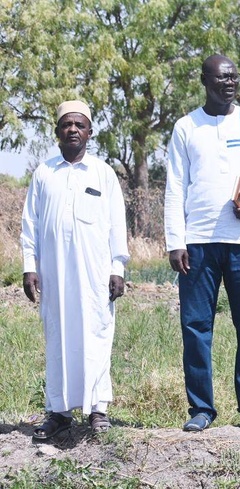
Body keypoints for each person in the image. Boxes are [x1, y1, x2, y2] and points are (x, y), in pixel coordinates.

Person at [164, 54, 240, 434]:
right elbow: (175, 185)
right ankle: (201, 408)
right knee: (196, 325)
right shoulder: (186, 127)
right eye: (220, 78)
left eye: (233, 77)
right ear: (204, 80)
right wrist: (174, 240)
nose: (228, 83)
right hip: (197, 242)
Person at [21, 100, 129, 439]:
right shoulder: (44, 173)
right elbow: (30, 225)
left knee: (97, 334)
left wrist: (118, 267)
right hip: (53, 274)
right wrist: (29, 266)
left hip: (95, 274)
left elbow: (116, 225)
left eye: (79, 125)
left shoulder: (103, 173)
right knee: (58, 337)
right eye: (66, 124)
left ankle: (98, 410)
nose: (72, 129)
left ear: (89, 132)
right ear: (56, 133)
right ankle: (59, 411)